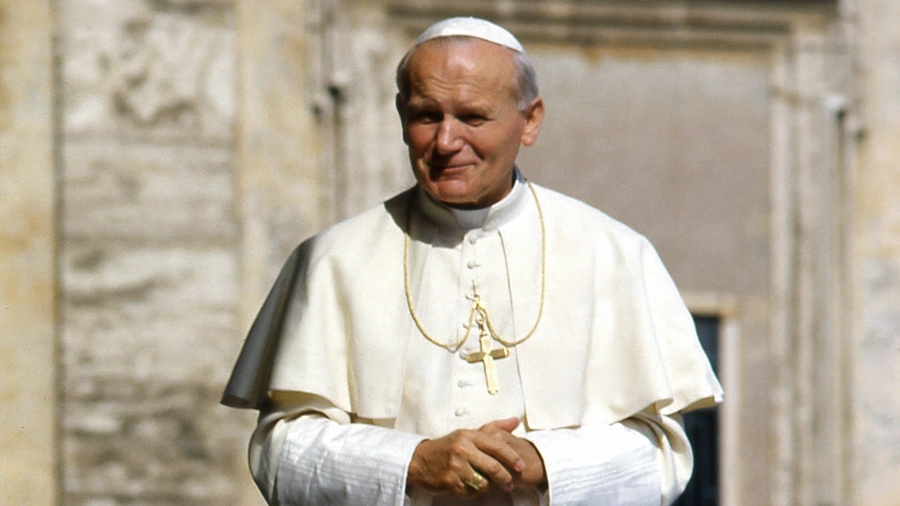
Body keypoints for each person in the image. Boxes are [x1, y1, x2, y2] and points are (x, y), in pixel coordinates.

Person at [222, 16, 723, 506]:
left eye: (472, 117)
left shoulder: (612, 253)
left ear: (530, 121)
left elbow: (662, 456)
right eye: (426, 115)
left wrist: (543, 461)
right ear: (401, 116)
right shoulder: (333, 259)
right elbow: (280, 451)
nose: (445, 141)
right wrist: (412, 462)